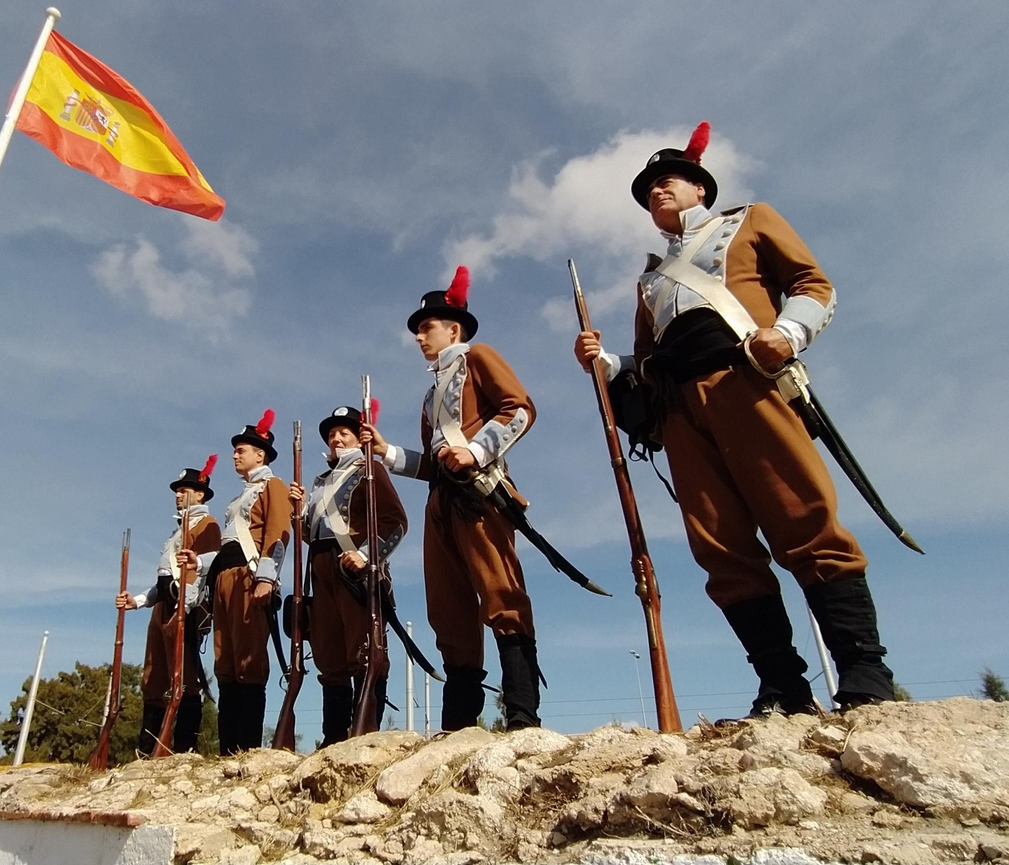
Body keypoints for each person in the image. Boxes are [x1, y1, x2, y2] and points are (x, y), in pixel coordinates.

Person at [573, 121, 894, 716]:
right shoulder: (650, 280)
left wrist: (788, 332)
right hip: (681, 411)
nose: (656, 195)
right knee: (720, 547)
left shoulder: (749, 222)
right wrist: (608, 361)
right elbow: (648, 361)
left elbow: (812, 284)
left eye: (666, 182)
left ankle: (863, 672)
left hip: (746, 380)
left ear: (700, 187)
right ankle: (783, 685)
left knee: (804, 518)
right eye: (648, 192)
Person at [361, 266, 544, 731]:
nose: (419, 337)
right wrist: (387, 453)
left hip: (480, 493)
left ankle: (522, 713)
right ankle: (459, 723)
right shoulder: (430, 395)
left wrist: (477, 449)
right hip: (442, 502)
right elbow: (431, 463)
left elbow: (519, 409)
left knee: (501, 593)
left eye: (427, 328)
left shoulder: (478, 357)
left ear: (453, 329)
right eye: (419, 330)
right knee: (447, 609)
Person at [288, 405, 407, 746]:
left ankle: (365, 732)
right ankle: (333, 737)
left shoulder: (369, 470)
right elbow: (311, 535)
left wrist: (366, 556)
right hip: (321, 568)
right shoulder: (321, 482)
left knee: (365, 650)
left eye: (344, 433)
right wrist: (299, 513)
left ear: (358, 438)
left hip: (354, 568)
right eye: (331, 434)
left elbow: (395, 522)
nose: (336, 438)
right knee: (329, 652)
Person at [115, 458, 223, 755]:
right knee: (154, 678)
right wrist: (136, 601)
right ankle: (148, 750)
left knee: (185, 680)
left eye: (185, 490)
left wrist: (184, 609)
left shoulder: (207, 525)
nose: (178, 495)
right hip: (164, 607)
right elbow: (164, 582)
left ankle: (183, 748)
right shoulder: (175, 533)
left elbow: (202, 573)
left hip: (184, 609)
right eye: (177, 491)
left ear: (200, 494)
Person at [207, 410, 291, 753]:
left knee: (248, 662)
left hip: (249, 575)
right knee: (225, 662)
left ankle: (246, 747)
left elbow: (278, 531)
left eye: (241, 449)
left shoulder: (273, 486)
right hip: (225, 578)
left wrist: (267, 577)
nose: (235, 455)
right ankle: (227, 748)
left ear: (261, 454)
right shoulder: (237, 498)